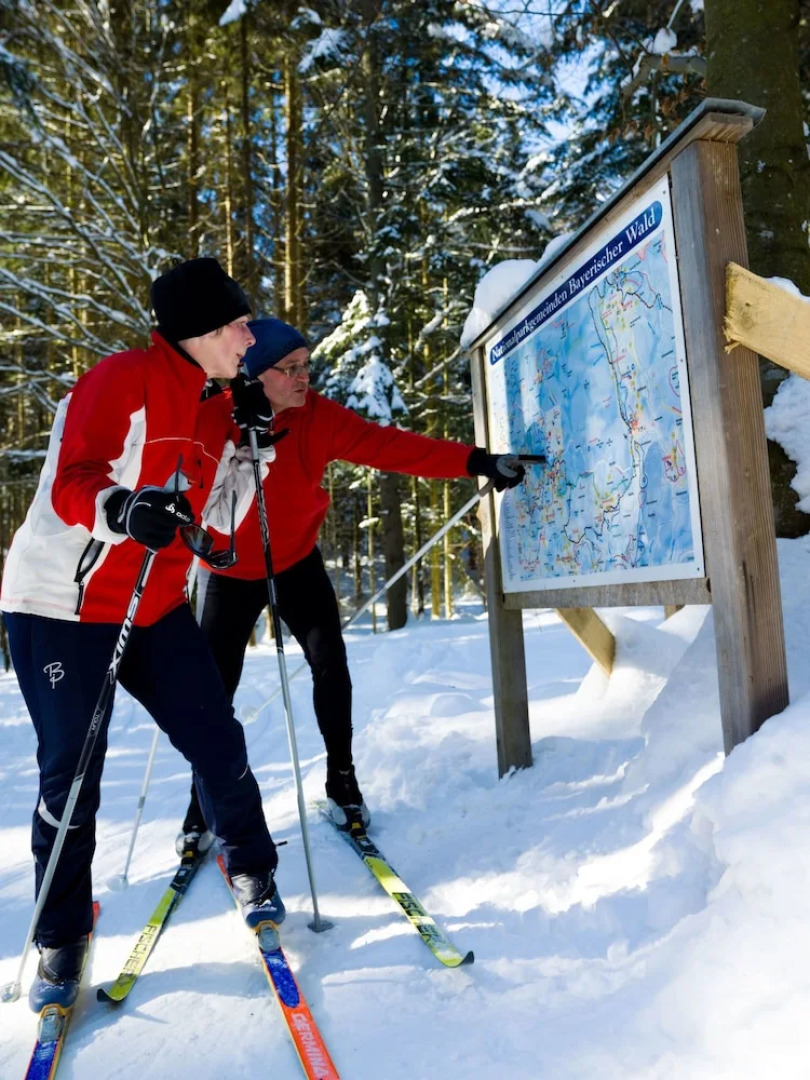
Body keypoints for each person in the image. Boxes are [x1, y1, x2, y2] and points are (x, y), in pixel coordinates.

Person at [1, 259, 284, 1011]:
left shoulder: (219, 404)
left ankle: (251, 866)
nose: (249, 336)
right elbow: (72, 480)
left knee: (216, 736)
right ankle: (61, 939)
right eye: (237, 325)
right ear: (197, 332)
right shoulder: (120, 379)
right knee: (73, 770)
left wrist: (259, 446)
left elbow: (220, 518)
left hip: (152, 607)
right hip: (59, 607)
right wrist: (123, 509)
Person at [177, 316, 525, 843]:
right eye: (289, 369)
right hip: (229, 572)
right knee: (212, 689)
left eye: (306, 366)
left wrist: (477, 461)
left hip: (295, 561)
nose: (303, 378)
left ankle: (342, 780)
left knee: (330, 665)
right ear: (251, 375)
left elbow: (393, 447)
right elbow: (168, 458)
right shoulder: (214, 418)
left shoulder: (319, 417)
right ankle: (203, 799)